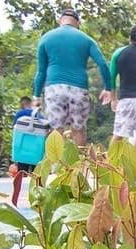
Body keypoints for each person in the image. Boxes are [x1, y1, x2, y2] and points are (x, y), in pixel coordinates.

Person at [32, 8, 112, 146]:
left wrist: (36, 96)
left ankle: (55, 167)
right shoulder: (87, 40)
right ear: (78, 23)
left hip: (54, 89)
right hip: (79, 89)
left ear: (59, 20)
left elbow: (41, 72)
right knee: (78, 129)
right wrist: (108, 88)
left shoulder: (46, 38)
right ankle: (80, 166)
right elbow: (103, 64)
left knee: (56, 131)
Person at [9, 96, 34, 206]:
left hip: (22, 150)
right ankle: (37, 199)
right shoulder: (37, 114)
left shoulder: (19, 114)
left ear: (22, 104)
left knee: (20, 174)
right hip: (35, 151)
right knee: (36, 175)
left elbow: (15, 129)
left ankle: (15, 200)